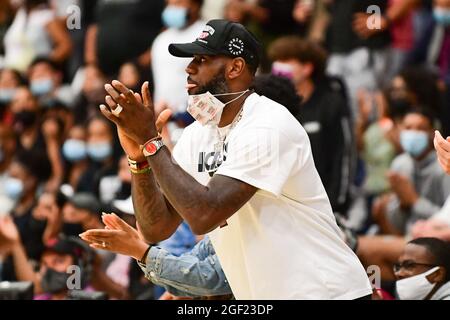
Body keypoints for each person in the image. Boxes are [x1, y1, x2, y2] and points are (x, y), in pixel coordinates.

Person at [97, 19, 372, 299]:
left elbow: (204, 215)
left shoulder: (268, 125)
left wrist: (151, 141)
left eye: (202, 59)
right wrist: (139, 160)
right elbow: (156, 228)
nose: (189, 68)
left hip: (327, 292)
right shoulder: (197, 135)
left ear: (235, 67)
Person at [269, 36, 354, 214]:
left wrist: (335, 205)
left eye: (286, 61)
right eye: (277, 61)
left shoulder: (332, 103)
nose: (278, 66)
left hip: (325, 204)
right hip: (287, 204)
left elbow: (344, 154)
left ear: (307, 68)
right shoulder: (273, 106)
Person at [372, 107, 450, 235]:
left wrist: (414, 200)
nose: (413, 133)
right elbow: (397, 225)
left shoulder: (444, 164)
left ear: (432, 132)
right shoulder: (400, 163)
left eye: (420, 128)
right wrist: (402, 205)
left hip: (437, 238)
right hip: (407, 235)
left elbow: (446, 217)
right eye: (408, 128)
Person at [151, 0, 206, 133]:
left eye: (178, 3)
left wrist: (189, 115)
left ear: (195, 5)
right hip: (164, 122)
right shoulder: (161, 39)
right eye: (170, 4)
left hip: (198, 121)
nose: (172, 8)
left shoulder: (206, 34)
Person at [3, 0, 72, 73]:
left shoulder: (46, 16)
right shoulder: (18, 17)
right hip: (11, 76)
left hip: (34, 77)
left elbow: (65, 45)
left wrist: (44, 65)